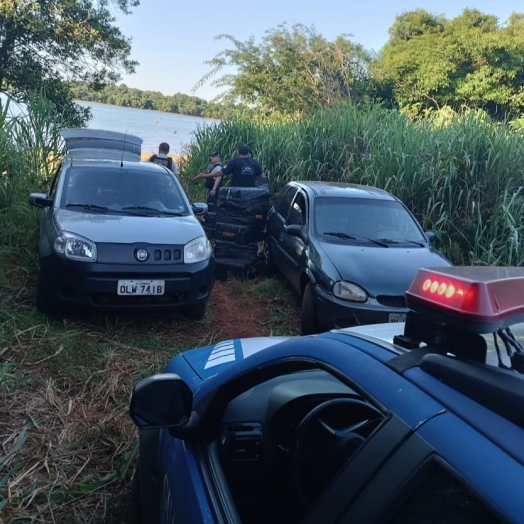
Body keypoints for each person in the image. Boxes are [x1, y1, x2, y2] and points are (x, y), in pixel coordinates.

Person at [194, 145, 266, 188]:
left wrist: (204, 175)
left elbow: (220, 173)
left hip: (237, 192)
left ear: (238, 153)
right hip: (250, 193)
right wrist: (251, 175)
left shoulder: (234, 162)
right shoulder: (255, 163)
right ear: (248, 153)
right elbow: (262, 176)